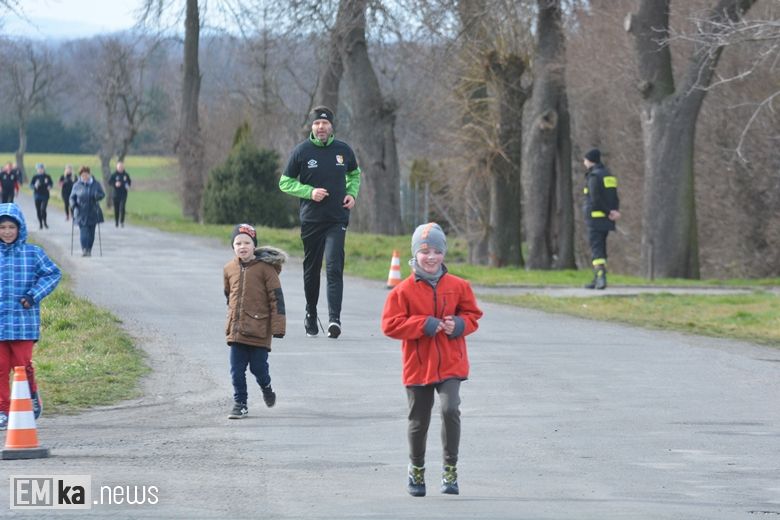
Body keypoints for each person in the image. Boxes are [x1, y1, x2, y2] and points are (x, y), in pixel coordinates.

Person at [381, 222, 483, 497]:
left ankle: (450, 469)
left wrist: (459, 325)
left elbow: (473, 316)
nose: (431, 257)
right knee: (419, 420)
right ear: (416, 254)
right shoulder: (403, 291)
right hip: (418, 364)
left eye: (437, 251)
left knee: (450, 409)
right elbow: (390, 325)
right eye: (425, 251)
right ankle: (417, 469)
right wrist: (422, 324)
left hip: (451, 361)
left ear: (444, 254)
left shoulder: (459, 286)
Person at [278, 105, 361, 339]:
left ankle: (335, 319)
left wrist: (352, 194)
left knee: (334, 267)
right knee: (312, 270)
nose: (321, 127)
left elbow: (354, 174)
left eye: (324, 123)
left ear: (331, 126)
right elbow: (284, 182)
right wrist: (309, 192)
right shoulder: (301, 151)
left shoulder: (343, 150)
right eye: (316, 123)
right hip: (312, 220)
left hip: (337, 218)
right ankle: (310, 313)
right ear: (311, 127)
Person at [0, 203, 62, 430]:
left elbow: (53, 274)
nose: (7, 231)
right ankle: (3, 410)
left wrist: (33, 295)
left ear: (20, 229)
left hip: (23, 324)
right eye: (3, 227)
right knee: (0, 367)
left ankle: (30, 396)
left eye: (11, 227)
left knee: (21, 365)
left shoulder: (33, 253)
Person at [223, 223, 286, 419]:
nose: (242, 247)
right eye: (238, 243)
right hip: (237, 329)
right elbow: (228, 295)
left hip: (259, 329)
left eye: (247, 243)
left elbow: (277, 299)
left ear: (254, 245)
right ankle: (240, 403)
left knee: (258, 369)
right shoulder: (229, 268)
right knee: (236, 370)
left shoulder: (266, 270)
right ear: (233, 246)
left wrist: (278, 327)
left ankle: (266, 387)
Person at [582, 148, 620, 290]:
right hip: (607, 219)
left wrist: (607, 211)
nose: (584, 162)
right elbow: (614, 197)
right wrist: (614, 212)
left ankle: (600, 277)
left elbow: (595, 199)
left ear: (590, 160)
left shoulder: (593, 177)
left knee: (596, 249)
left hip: (595, 219)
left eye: (585, 159)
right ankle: (596, 278)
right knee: (601, 248)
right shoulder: (608, 175)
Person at [69, 166, 105, 257]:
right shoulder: (76, 185)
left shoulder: (96, 184)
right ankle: (84, 249)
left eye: (86, 175)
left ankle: (89, 249)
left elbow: (102, 194)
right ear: (80, 175)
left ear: (89, 174)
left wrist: (98, 196)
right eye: (83, 175)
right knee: (83, 231)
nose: (85, 177)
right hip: (81, 212)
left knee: (91, 233)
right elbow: (72, 197)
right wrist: (73, 204)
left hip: (93, 211)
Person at [29, 163, 54, 229]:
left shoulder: (47, 176)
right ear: (37, 170)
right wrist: (34, 186)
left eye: (41, 169)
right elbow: (31, 185)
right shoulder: (35, 177)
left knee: (43, 209)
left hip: (45, 195)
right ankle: (40, 224)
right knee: (38, 210)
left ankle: (45, 222)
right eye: (39, 169)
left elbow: (51, 183)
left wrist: (49, 186)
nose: (40, 170)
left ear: (44, 169)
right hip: (37, 195)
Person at [108, 161, 132, 227]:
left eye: (121, 167)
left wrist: (128, 186)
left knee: (122, 207)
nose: (120, 168)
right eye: (119, 167)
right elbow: (109, 182)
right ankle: (116, 221)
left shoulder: (126, 175)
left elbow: (129, 182)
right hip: (115, 194)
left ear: (123, 167)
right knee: (116, 208)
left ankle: (122, 221)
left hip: (123, 194)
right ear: (117, 167)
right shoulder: (114, 175)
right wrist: (115, 184)